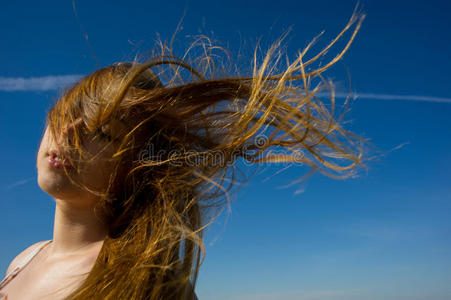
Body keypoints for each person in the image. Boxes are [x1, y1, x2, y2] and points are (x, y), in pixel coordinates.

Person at [0, 9, 367, 300]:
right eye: (64, 114)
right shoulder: (25, 258)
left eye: (102, 132)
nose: (69, 131)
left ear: (134, 167)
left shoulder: (147, 279)